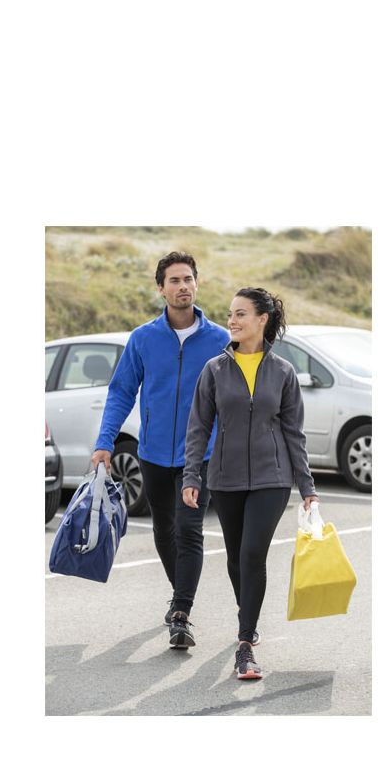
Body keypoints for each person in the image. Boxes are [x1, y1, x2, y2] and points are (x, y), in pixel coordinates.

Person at [91, 251, 229, 648]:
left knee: (189, 530)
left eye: (188, 279)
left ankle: (181, 612)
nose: (183, 286)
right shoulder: (143, 339)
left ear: (196, 284)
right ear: (160, 289)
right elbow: (121, 392)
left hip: (198, 456)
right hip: (152, 453)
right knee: (164, 530)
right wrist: (104, 442)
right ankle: (179, 595)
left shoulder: (221, 340)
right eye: (174, 280)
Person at [182, 288, 318, 680]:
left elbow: (294, 433)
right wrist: (191, 475)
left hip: (272, 478)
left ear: (262, 319)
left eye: (241, 314)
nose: (232, 321)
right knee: (235, 557)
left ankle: (245, 644)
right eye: (231, 314)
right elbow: (198, 427)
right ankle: (249, 612)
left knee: (253, 553)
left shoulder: (283, 372)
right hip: (225, 479)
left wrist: (307, 487)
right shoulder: (214, 370)